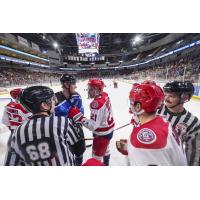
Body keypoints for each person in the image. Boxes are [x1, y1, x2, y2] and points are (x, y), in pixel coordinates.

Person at [4, 86, 84, 166]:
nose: (54, 103)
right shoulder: (62, 122)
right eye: (53, 100)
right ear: (44, 105)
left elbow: (10, 163)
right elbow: (79, 148)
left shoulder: (16, 133)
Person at [116, 81, 187, 166]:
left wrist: (134, 146)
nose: (130, 105)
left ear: (138, 107)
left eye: (132, 101)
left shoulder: (143, 140)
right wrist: (129, 146)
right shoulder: (163, 121)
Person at [68, 78, 115, 165]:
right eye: (89, 88)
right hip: (109, 130)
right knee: (106, 149)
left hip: (101, 135)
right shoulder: (105, 95)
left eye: (92, 89)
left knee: (95, 159)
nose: (89, 91)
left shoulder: (96, 104)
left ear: (99, 89)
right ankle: (106, 163)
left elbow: (93, 126)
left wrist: (79, 117)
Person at [157, 81, 200, 165]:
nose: (166, 99)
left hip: (170, 162)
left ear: (185, 97)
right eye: (165, 95)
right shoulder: (156, 109)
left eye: (171, 96)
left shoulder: (193, 122)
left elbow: (194, 151)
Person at [54, 74, 86, 165]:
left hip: (78, 132)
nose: (76, 86)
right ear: (67, 85)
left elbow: (81, 113)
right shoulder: (55, 99)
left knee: (80, 153)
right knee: (67, 157)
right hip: (64, 136)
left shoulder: (77, 96)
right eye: (73, 84)